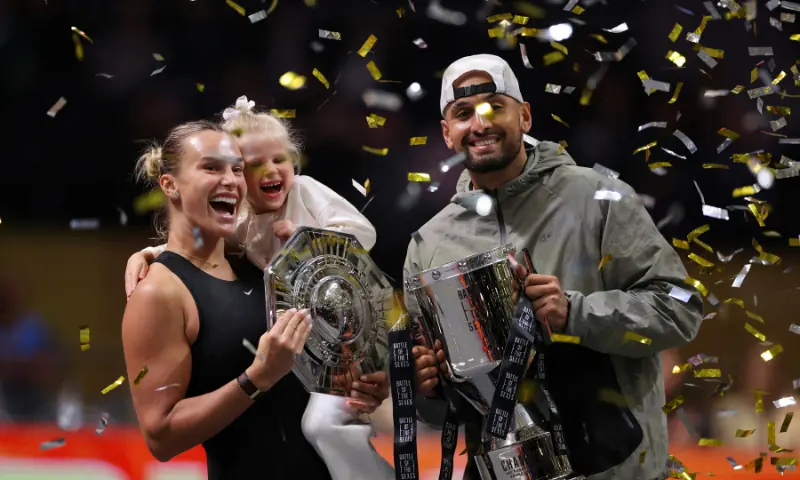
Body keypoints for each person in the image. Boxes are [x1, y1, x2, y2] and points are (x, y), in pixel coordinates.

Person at [405, 54, 704, 480]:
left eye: (494, 106)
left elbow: (682, 309)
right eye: (463, 113)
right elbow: (442, 410)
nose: (479, 124)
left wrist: (575, 313)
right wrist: (426, 384)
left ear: (524, 116)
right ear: (447, 134)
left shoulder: (599, 198)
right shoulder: (428, 244)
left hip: (617, 470)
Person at [124, 98, 392, 480]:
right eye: (212, 167)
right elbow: (160, 437)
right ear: (169, 184)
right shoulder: (158, 290)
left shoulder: (252, 262)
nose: (231, 179)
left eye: (236, 168)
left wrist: (360, 382)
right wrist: (258, 378)